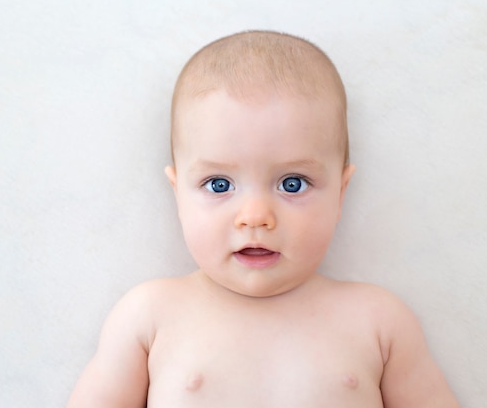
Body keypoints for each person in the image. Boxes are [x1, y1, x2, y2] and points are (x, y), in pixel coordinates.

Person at [67, 30, 459, 408]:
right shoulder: (148, 317)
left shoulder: (380, 322)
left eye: (292, 183)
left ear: (340, 193)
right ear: (177, 194)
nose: (255, 217)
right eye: (218, 185)